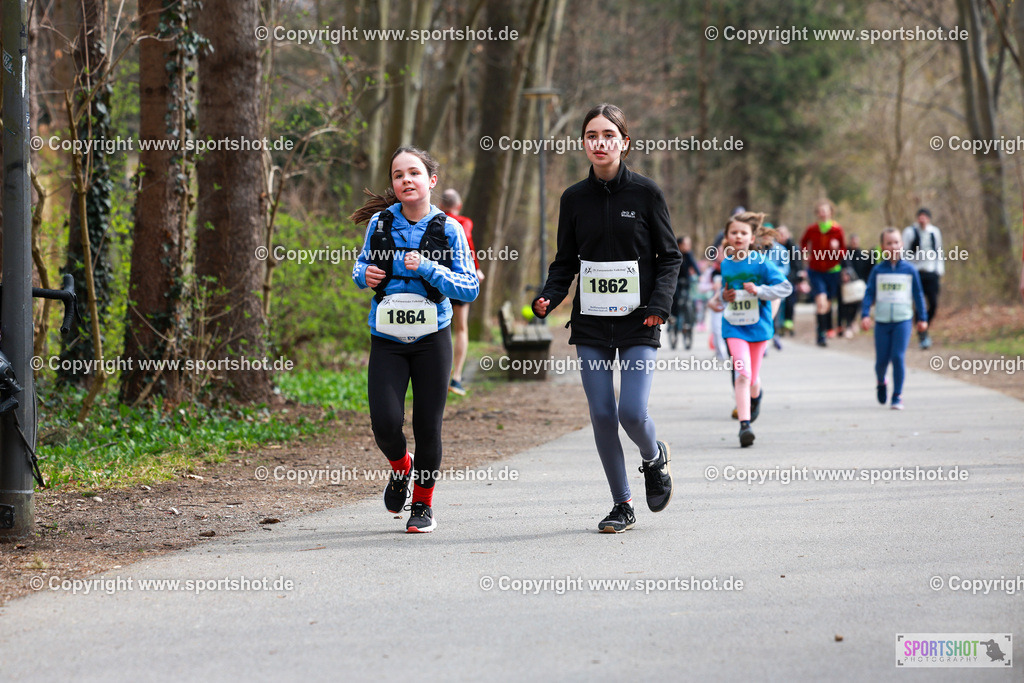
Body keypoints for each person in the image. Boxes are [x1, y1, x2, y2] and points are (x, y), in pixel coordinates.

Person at [533, 103, 681, 533]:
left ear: (625, 143)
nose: (600, 143)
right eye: (592, 136)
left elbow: (669, 257)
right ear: (584, 143)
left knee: (631, 412)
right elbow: (564, 263)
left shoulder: (647, 193)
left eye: (609, 136)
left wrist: (659, 304)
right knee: (601, 413)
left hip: (641, 320)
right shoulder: (573, 198)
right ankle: (622, 503)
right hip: (592, 322)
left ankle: (654, 459)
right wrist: (548, 296)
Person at [350, 146, 480, 533]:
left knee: (428, 426)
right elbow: (361, 265)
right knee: (385, 423)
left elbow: (469, 287)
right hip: (387, 336)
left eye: (414, 173)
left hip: (431, 337)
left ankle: (422, 506)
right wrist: (365, 277)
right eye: (398, 175)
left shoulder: (449, 229)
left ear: (431, 181)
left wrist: (427, 267)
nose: (406, 180)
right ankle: (400, 467)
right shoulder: (380, 224)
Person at [708, 212, 792, 447]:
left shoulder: (761, 262)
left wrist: (760, 291)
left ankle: (756, 397)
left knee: (753, 378)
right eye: (733, 232)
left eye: (743, 233)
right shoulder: (725, 264)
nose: (738, 236)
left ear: (751, 237)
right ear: (726, 236)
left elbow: (785, 288)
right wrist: (724, 296)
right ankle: (745, 425)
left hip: (759, 327)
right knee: (742, 374)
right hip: (734, 327)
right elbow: (725, 295)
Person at [860, 228, 928, 410]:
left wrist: (922, 318)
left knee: (898, 357)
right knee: (881, 361)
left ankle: (897, 395)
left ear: (902, 245)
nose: (893, 247)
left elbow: (918, 295)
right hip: (882, 322)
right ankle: (881, 381)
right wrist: (865, 314)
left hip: (903, 320)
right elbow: (869, 294)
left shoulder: (909, 270)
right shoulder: (878, 270)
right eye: (888, 243)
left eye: (896, 243)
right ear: (882, 247)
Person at [440, 189, 485, 396]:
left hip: (437, 279)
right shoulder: (464, 222)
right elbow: (469, 246)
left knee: (439, 329)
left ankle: (438, 377)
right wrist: (475, 269)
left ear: (441, 206)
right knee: (461, 329)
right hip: (459, 280)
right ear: (458, 205)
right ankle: (456, 378)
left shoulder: (434, 220)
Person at [800, 199, 846, 346]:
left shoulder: (837, 230)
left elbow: (844, 253)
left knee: (826, 304)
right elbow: (803, 242)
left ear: (830, 212)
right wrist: (805, 254)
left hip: (832, 271)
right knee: (820, 302)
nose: (823, 213)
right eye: (820, 211)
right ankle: (820, 334)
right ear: (817, 214)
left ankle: (825, 329)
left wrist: (836, 249)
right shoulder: (812, 229)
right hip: (816, 270)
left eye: (826, 210)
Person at [902, 208, 943, 349]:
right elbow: (904, 251)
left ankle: (923, 327)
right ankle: (922, 334)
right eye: (920, 217)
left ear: (929, 219)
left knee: (933, 303)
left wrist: (939, 270)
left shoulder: (934, 232)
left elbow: (939, 250)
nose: (922, 219)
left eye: (925, 217)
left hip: (931, 272)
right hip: (916, 272)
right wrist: (906, 271)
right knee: (919, 304)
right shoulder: (909, 232)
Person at [669, 235, 701, 349]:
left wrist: (699, 275)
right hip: (675, 281)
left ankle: (688, 320)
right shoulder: (674, 253)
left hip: (686, 280)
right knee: (675, 299)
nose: (688, 247)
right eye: (685, 244)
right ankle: (673, 316)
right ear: (679, 245)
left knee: (688, 300)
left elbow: (694, 265)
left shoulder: (689, 254)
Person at [774, 225, 801, 337]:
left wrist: (797, 277)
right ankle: (777, 325)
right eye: (779, 233)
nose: (782, 236)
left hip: (790, 279)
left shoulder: (793, 248)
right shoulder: (773, 248)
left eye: (783, 233)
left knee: (790, 302)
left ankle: (788, 323)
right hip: (777, 279)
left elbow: (798, 265)